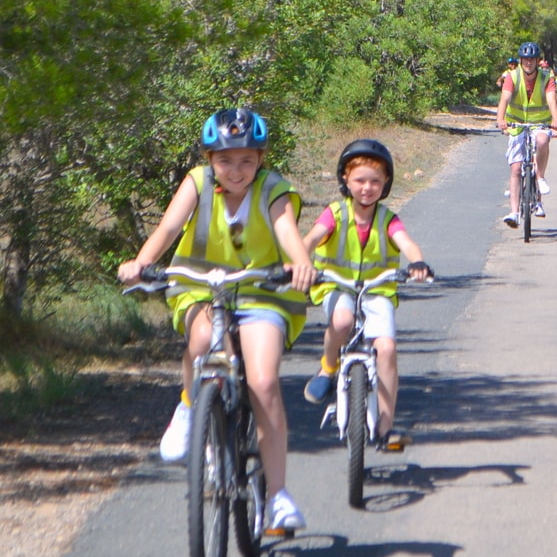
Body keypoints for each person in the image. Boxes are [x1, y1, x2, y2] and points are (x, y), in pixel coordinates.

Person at [117, 108, 316, 532]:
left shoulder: (273, 189)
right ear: (209, 159)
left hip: (263, 289)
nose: (236, 170)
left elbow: (286, 233)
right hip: (202, 286)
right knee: (204, 337)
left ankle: (278, 495)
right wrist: (142, 262)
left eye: (247, 160)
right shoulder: (196, 183)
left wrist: (300, 264)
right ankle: (190, 407)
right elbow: (169, 227)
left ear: (261, 159)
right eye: (225, 160)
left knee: (263, 383)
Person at [301, 139, 432, 451]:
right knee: (342, 321)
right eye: (360, 180)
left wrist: (417, 262)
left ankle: (386, 428)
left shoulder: (388, 218)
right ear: (345, 180)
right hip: (338, 286)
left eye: (375, 181)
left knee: (386, 349)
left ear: (386, 183)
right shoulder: (334, 213)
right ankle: (328, 366)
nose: (367, 188)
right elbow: (310, 239)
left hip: (376, 292)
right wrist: (300, 263)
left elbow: (407, 243)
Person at [495, 41, 557, 228]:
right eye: (525, 59)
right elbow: (504, 99)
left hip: (540, 123)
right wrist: (501, 119)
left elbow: (551, 100)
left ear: (537, 61)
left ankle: (539, 178)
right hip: (517, 125)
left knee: (541, 141)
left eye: (532, 59)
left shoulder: (547, 77)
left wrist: (556, 121)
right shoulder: (512, 76)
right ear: (520, 60)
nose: (528, 63)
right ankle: (514, 212)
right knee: (516, 168)